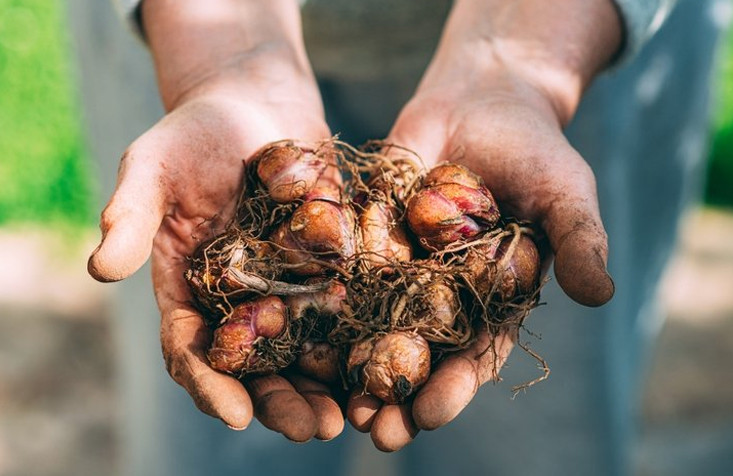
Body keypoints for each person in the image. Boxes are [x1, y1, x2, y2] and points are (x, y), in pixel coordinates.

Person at [71, 0, 723, 474]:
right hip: (195, 25)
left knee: (538, 450)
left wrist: (521, 59)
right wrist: (222, 59)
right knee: (213, 453)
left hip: (564, 24)